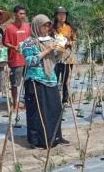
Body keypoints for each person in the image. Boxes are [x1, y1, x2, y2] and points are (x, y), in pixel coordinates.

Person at [21, 14, 69, 149]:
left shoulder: (50, 40)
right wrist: (47, 50)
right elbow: (30, 61)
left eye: (48, 25)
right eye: (44, 25)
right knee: (39, 111)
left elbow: (55, 59)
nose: (47, 28)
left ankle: (55, 136)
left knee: (55, 109)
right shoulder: (29, 42)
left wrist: (60, 51)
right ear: (37, 26)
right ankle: (39, 140)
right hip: (36, 80)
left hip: (51, 78)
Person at [4, 5, 31, 110]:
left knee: (28, 82)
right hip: (15, 60)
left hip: (27, 59)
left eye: (24, 14)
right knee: (15, 83)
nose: (22, 16)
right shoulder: (9, 28)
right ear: (15, 14)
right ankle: (15, 103)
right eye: (20, 13)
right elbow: (5, 42)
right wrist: (13, 47)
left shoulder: (27, 27)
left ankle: (27, 102)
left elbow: (30, 40)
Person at [52, 6, 77, 106]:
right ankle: (54, 98)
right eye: (60, 14)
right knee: (55, 78)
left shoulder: (70, 28)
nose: (62, 16)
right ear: (56, 16)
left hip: (67, 57)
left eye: (64, 14)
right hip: (56, 57)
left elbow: (74, 40)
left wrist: (69, 43)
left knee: (66, 80)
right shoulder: (52, 29)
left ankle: (65, 100)